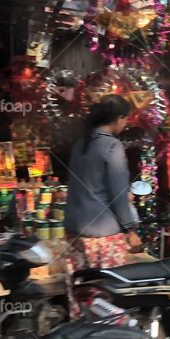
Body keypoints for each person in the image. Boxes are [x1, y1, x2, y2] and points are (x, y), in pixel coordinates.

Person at [64, 95, 142, 272]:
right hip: (101, 236)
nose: (126, 124)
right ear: (118, 118)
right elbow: (118, 195)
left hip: (74, 232)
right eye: (126, 119)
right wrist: (130, 230)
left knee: (83, 290)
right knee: (106, 291)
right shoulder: (112, 146)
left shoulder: (80, 143)